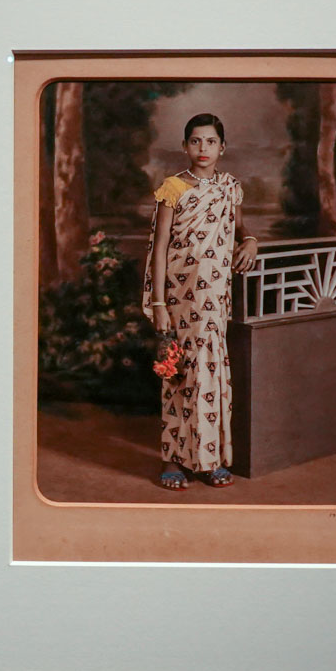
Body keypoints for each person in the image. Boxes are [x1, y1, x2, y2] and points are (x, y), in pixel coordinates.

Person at [141, 114, 259, 490]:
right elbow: (159, 248)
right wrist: (158, 304)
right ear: (184, 146)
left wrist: (251, 241)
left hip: (214, 299)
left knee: (210, 373)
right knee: (178, 373)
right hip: (180, 297)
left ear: (222, 147)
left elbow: (239, 228)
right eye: (195, 141)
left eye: (210, 141)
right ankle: (172, 459)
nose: (203, 148)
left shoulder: (229, 188)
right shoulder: (173, 188)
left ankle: (208, 460)